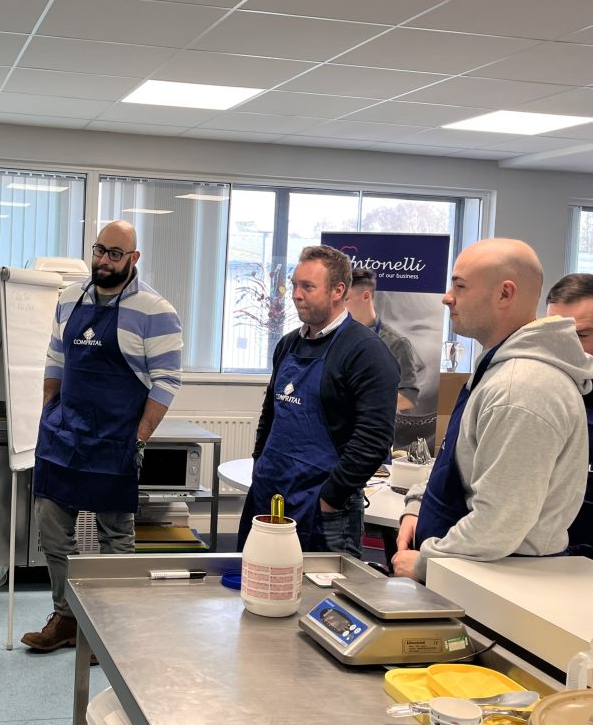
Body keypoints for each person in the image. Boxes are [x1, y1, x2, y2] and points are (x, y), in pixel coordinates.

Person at [22, 221, 182, 654]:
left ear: (134, 258)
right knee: (52, 532)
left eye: (115, 254)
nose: (104, 261)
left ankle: (111, 629)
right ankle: (66, 618)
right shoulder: (69, 297)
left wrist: (139, 437)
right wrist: (48, 412)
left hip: (115, 440)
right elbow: (56, 358)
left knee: (115, 540)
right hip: (63, 436)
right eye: (99, 250)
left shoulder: (155, 311)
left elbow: (167, 381)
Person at [393, 240, 591, 582]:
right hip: (470, 573)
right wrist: (418, 505)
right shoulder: (498, 370)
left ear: (504, 294)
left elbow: (498, 524)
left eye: (460, 286)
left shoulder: (522, 387)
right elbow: (457, 463)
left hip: (493, 583)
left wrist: (425, 564)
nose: (447, 297)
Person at [239, 245, 399, 557]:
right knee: (259, 576)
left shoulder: (366, 351)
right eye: (295, 285)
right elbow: (270, 413)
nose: (296, 295)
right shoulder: (288, 344)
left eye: (308, 287)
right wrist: (260, 464)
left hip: (323, 510)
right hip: (270, 493)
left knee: (322, 587)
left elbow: (375, 438)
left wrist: (330, 498)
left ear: (338, 291)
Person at [545, 273, 593, 558]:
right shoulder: (540, 390)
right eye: (556, 335)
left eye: (582, 335)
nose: (566, 348)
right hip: (545, 556)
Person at [345, 267, 421, 412]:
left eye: (346, 299)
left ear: (365, 297)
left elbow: (408, 398)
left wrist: (361, 403)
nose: (340, 305)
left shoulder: (396, 343)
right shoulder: (336, 337)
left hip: (373, 423)